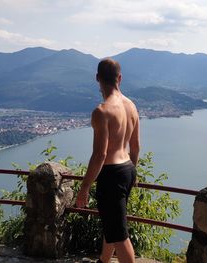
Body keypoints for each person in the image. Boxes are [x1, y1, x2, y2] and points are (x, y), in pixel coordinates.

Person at [76, 58, 140, 263]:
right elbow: (136, 147)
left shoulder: (102, 112)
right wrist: (134, 172)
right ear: (119, 78)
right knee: (112, 225)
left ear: (97, 78)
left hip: (111, 174)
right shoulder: (131, 106)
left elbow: (100, 155)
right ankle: (103, 261)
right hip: (128, 169)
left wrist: (84, 187)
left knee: (120, 235)